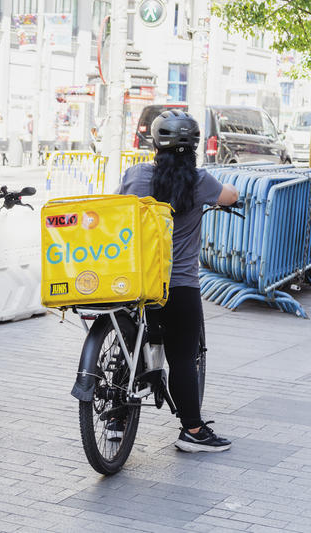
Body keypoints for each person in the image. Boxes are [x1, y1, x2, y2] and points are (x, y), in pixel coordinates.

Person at [118, 109, 238, 453]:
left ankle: (114, 419)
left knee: (128, 345)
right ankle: (193, 432)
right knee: (183, 357)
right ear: (195, 144)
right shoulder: (201, 182)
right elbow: (229, 196)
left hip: (135, 282)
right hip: (178, 285)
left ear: (155, 143)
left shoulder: (137, 174)